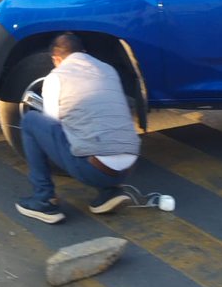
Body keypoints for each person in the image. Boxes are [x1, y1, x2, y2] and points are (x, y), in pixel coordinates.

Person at [15, 32, 141, 223]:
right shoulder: (108, 70)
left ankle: (44, 200)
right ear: (83, 52)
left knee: (31, 121)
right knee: (97, 130)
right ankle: (109, 192)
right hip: (128, 167)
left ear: (56, 58)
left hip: (93, 169)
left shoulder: (56, 77)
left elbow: (53, 122)